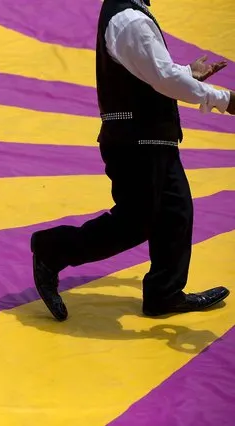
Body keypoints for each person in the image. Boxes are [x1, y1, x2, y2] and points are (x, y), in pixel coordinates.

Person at [30, 0, 234, 321]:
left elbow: (152, 71)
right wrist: (222, 98)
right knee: (133, 224)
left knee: (176, 214)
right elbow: (164, 79)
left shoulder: (130, 13)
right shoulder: (129, 19)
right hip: (134, 144)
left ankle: (164, 294)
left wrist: (185, 73)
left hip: (152, 141)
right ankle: (50, 249)